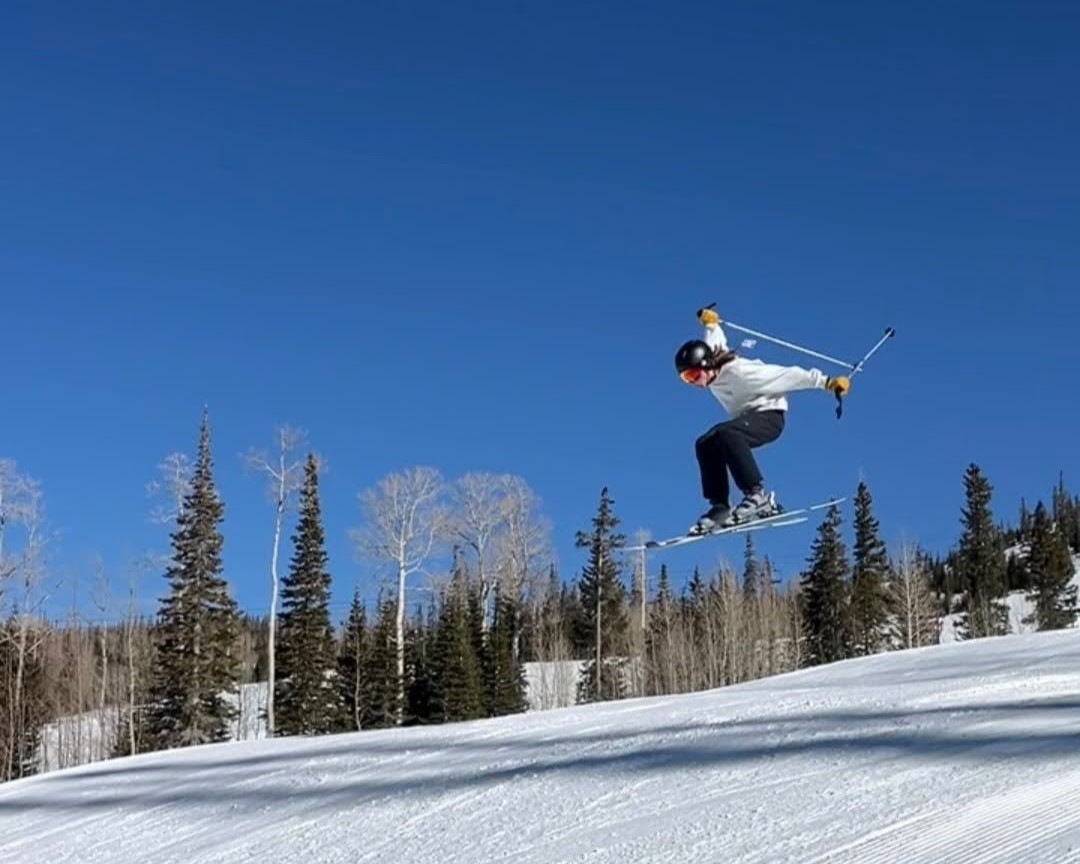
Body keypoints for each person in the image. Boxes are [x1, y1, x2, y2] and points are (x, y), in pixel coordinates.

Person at [674, 306, 851, 534]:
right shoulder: (712, 366)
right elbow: (714, 341)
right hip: (747, 419)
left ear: (707, 365)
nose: (695, 383)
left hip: (770, 418)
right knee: (705, 442)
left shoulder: (743, 374)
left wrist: (827, 382)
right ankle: (719, 507)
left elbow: (790, 375)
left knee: (727, 433)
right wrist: (710, 323)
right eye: (687, 379)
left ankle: (757, 496)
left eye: (694, 376)